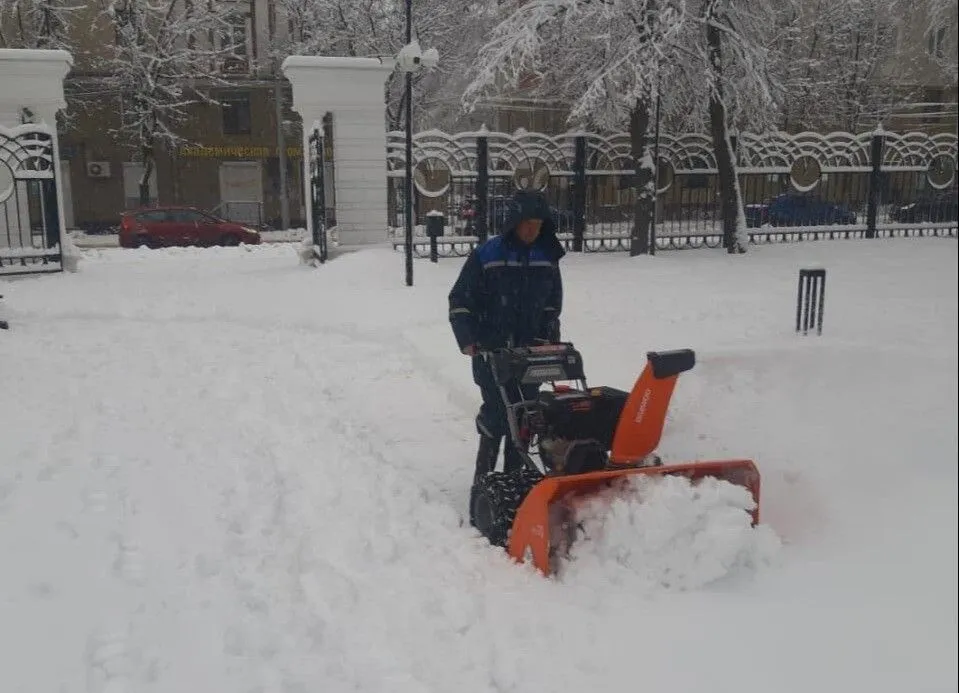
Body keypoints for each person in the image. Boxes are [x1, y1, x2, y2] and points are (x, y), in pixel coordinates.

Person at [448, 189, 566, 485]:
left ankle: (516, 480)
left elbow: (553, 304)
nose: (532, 230)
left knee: (526, 416)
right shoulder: (489, 254)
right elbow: (461, 300)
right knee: (497, 414)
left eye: (538, 224)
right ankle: (484, 482)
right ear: (514, 221)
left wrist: (549, 337)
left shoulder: (546, 256)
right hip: (492, 350)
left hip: (530, 353)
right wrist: (468, 338)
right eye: (527, 223)